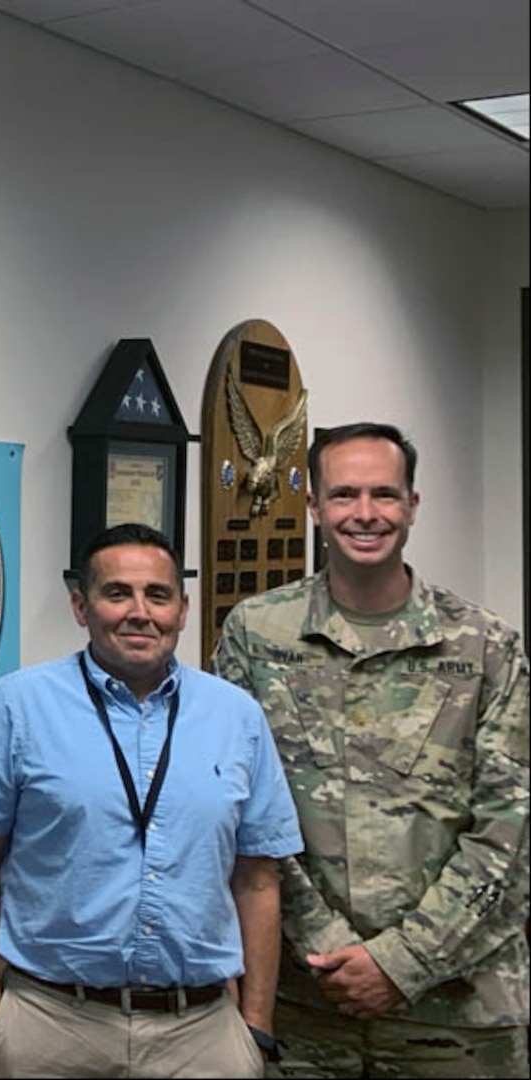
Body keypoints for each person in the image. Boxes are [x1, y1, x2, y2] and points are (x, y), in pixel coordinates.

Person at [212, 422, 530, 1077]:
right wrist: (328, 947)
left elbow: (511, 830)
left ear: (413, 505)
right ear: (314, 507)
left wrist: (402, 962)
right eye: (345, 494)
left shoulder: (485, 646)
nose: (364, 514)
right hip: (302, 1003)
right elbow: (235, 810)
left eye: (384, 495)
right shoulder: (256, 634)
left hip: (456, 1016)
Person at [0, 523, 301, 1078]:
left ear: (182, 609)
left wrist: (255, 1024)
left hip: (202, 1032)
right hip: (50, 1024)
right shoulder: (17, 707)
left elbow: (258, 878)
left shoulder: (238, 718)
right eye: (117, 593)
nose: (140, 612)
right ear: (80, 605)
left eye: (157, 595)